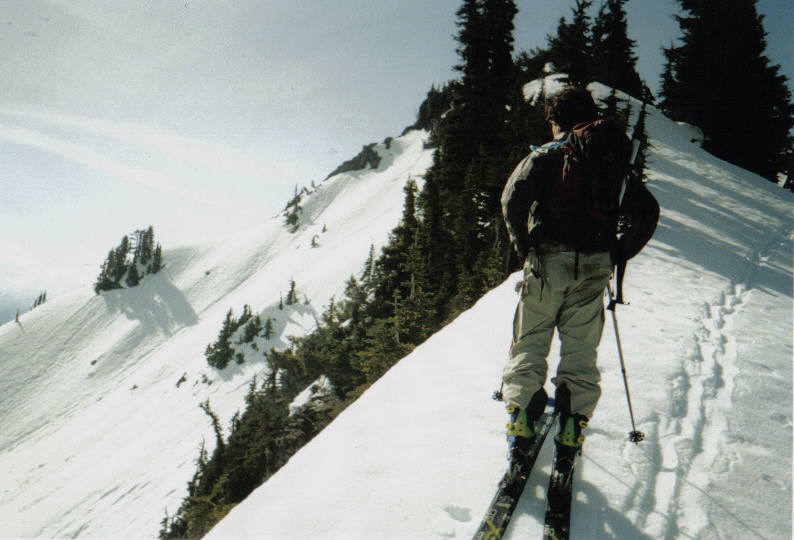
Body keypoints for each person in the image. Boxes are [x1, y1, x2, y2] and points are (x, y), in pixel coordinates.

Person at [500, 87, 631, 466]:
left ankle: (523, 416)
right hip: (594, 264)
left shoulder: (546, 155)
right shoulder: (611, 158)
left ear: (556, 121)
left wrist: (523, 246)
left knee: (530, 340)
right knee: (580, 349)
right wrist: (619, 251)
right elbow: (647, 211)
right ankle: (572, 426)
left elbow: (512, 199)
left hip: (548, 261)